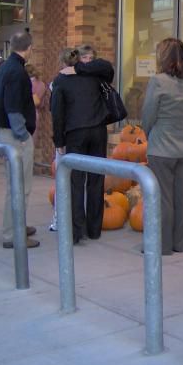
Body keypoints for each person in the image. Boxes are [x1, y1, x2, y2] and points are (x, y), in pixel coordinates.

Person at [50, 46, 113, 244]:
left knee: (76, 182)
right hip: (98, 130)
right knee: (96, 180)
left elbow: (57, 113)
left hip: (75, 133)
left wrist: (59, 141)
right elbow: (108, 68)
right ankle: (94, 229)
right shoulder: (94, 76)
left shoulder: (61, 81)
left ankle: (77, 231)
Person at [141, 38, 183, 255]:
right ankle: (179, 244)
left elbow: (147, 115)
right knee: (182, 199)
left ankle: (161, 247)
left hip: (161, 147)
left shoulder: (158, 81)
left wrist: (149, 135)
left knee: (162, 199)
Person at [0, 31, 39, 249]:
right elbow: (13, 107)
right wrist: (23, 135)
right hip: (15, 135)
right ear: (28, 48)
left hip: (3, 131)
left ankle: (18, 224)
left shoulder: (2, 69)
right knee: (20, 185)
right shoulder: (17, 72)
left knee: (15, 184)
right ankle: (12, 233)